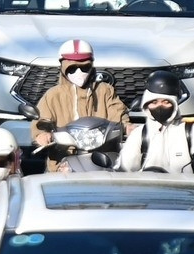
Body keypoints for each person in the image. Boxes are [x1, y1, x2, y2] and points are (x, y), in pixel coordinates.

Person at [32, 39, 128, 167]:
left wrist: (127, 127)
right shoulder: (52, 95)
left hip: (102, 158)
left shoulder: (105, 90)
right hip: (64, 160)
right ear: (63, 67)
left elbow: (118, 114)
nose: (79, 73)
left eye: (84, 68)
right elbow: (41, 122)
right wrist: (42, 135)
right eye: (72, 69)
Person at [117, 69, 194, 173]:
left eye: (166, 102)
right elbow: (126, 170)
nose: (160, 107)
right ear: (146, 105)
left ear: (175, 104)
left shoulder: (192, 131)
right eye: (154, 102)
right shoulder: (139, 134)